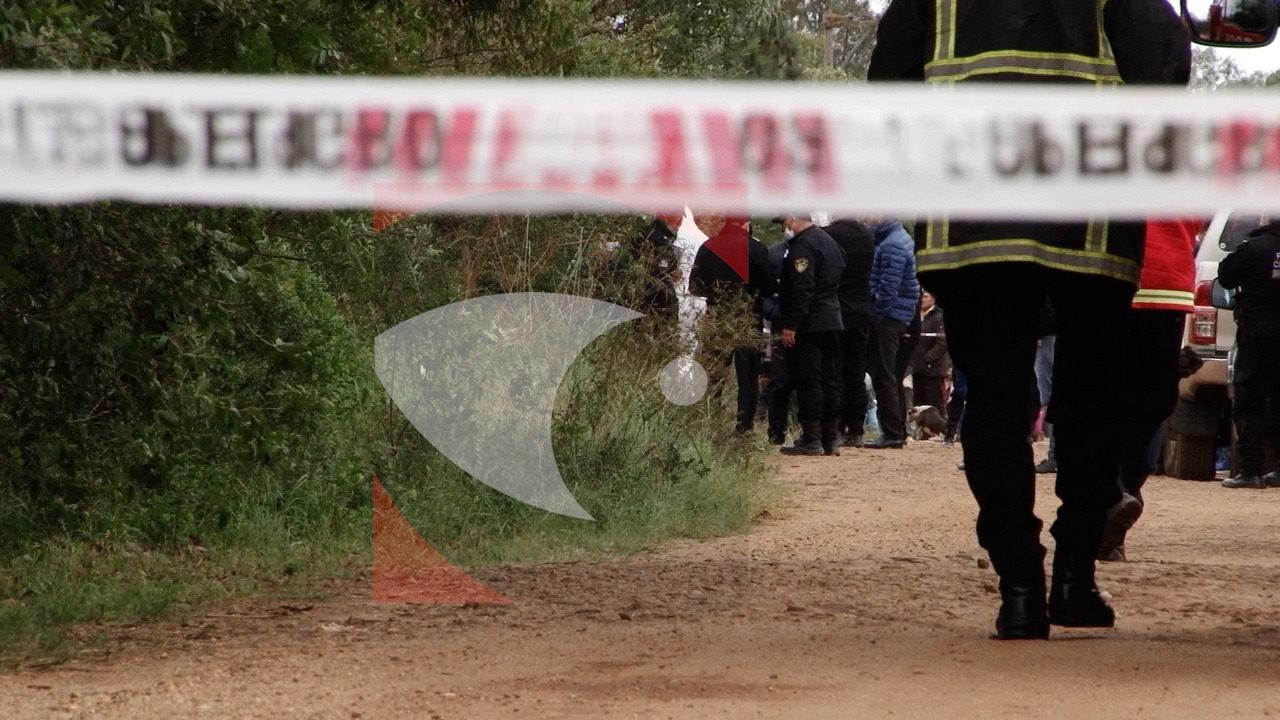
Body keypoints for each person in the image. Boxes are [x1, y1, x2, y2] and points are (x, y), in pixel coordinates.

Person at [869, 0, 1191, 639]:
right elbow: (1164, 66)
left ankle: (1019, 589)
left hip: (971, 222)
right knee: (1090, 396)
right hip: (1091, 217)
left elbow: (889, 90)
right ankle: (1074, 577)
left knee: (993, 401)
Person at [1096, 218, 1203, 561]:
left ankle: (1113, 500)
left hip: (1139, 277)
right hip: (1149, 278)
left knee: (1132, 402)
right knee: (1144, 404)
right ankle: (1115, 498)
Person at [688, 217, 777, 433]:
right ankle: (744, 428)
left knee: (714, 374)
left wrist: (717, 295)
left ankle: (711, 423)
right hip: (747, 318)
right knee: (748, 378)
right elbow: (768, 288)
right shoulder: (756, 248)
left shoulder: (709, 246)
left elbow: (694, 287)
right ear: (746, 223)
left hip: (717, 317)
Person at [775, 213, 846, 456]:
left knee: (809, 379)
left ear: (792, 218)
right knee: (830, 379)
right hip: (832, 318)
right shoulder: (830, 241)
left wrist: (791, 324)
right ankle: (830, 439)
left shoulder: (803, 247)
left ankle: (812, 438)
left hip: (810, 323)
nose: (785, 227)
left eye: (785, 222)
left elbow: (803, 288)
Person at [1219, 218, 1280, 489]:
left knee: (1248, 402)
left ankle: (1250, 471)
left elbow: (1226, 276)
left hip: (1257, 338)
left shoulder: (1254, 248)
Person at [864, 218, 919, 450]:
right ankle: (895, 430)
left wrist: (876, 315)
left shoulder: (892, 245)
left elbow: (888, 287)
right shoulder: (898, 238)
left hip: (890, 316)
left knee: (884, 374)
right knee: (888, 374)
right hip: (899, 314)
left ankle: (893, 433)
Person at [823, 217, 877, 448]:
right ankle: (856, 430)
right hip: (862, 308)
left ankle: (835, 427)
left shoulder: (829, 235)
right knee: (856, 371)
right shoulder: (868, 236)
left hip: (838, 308)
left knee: (833, 369)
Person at [909, 290, 948, 416]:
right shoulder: (915, 315)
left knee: (935, 404)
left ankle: (941, 431)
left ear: (933, 299)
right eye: (921, 297)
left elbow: (942, 343)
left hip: (933, 370)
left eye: (925, 297)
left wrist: (927, 358)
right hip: (917, 368)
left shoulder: (939, 316)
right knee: (918, 404)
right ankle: (921, 432)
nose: (922, 299)